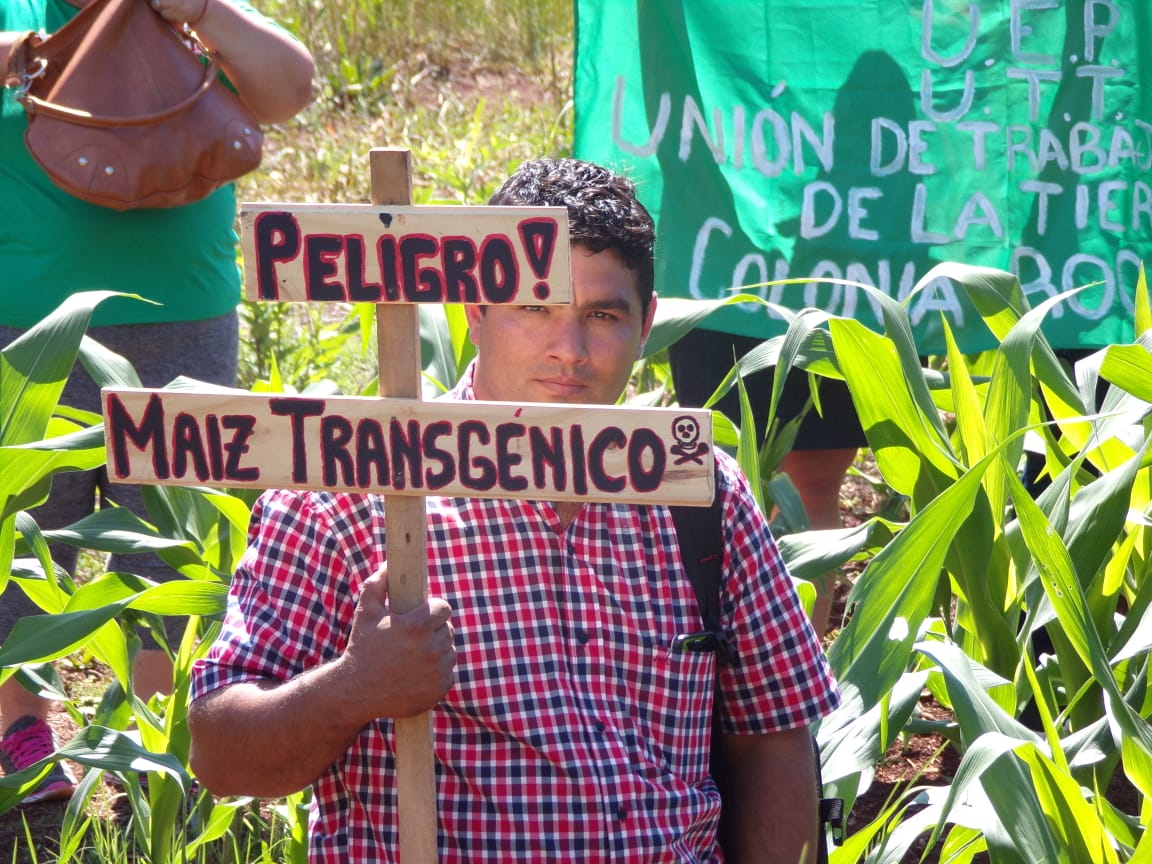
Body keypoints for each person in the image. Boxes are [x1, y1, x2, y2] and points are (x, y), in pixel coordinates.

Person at [187, 157, 841, 863]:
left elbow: (772, 735)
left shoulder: (697, 492)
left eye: (603, 314)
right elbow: (221, 755)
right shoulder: (353, 495)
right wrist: (355, 686)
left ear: (647, 322)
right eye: (536, 308)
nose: (570, 350)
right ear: (475, 309)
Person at [0, 0, 313, 802]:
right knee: (27, 537)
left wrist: (206, 12)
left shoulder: (187, 10)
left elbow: (290, 88)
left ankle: (151, 735)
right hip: (32, 322)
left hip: (187, 317)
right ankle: (21, 730)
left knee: (170, 541)